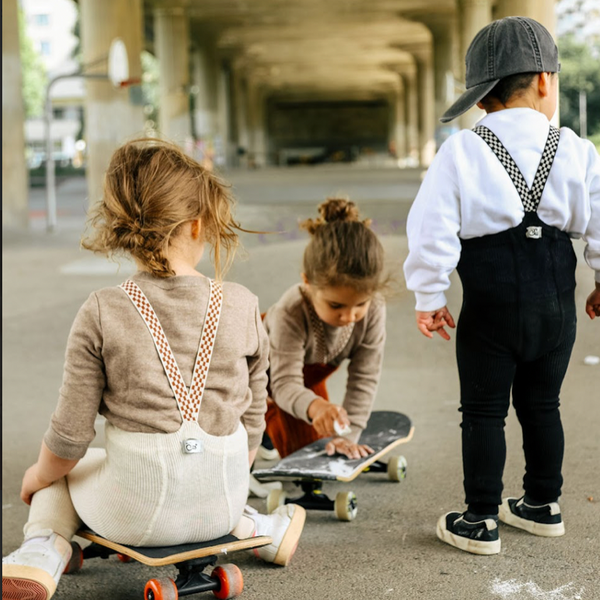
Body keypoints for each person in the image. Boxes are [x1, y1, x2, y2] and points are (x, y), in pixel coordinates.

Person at [2, 139, 306, 600]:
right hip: (222, 503)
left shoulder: (103, 309)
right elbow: (254, 408)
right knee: (206, 484)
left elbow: (69, 437)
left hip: (135, 513)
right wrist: (232, 473)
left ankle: (41, 551)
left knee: (63, 474)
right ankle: (257, 528)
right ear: (198, 225)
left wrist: (39, 478)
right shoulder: (243, 304)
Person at [404, 16, 600, 556]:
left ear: (481, 96)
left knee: (484, 411)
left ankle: (481, 519)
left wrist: (430, 296)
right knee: (544, 404)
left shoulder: (462, 151)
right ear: (544, 80)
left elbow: (431, 229)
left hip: (491, 310)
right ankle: (543, 504)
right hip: (557, 306)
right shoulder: (577, 150)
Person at [262, 198, 388, 461]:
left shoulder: (374, 309)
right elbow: (283, 383)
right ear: (307, 282)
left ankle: (271, 429)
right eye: (336, 305)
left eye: (360, 304)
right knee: (301, 453)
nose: (348, 316)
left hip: (306, 377)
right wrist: (315, 406)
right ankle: (260, 423)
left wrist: (348, 435)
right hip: (264, 375)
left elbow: (364, 378)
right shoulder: (291, 312)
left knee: (323, 448)